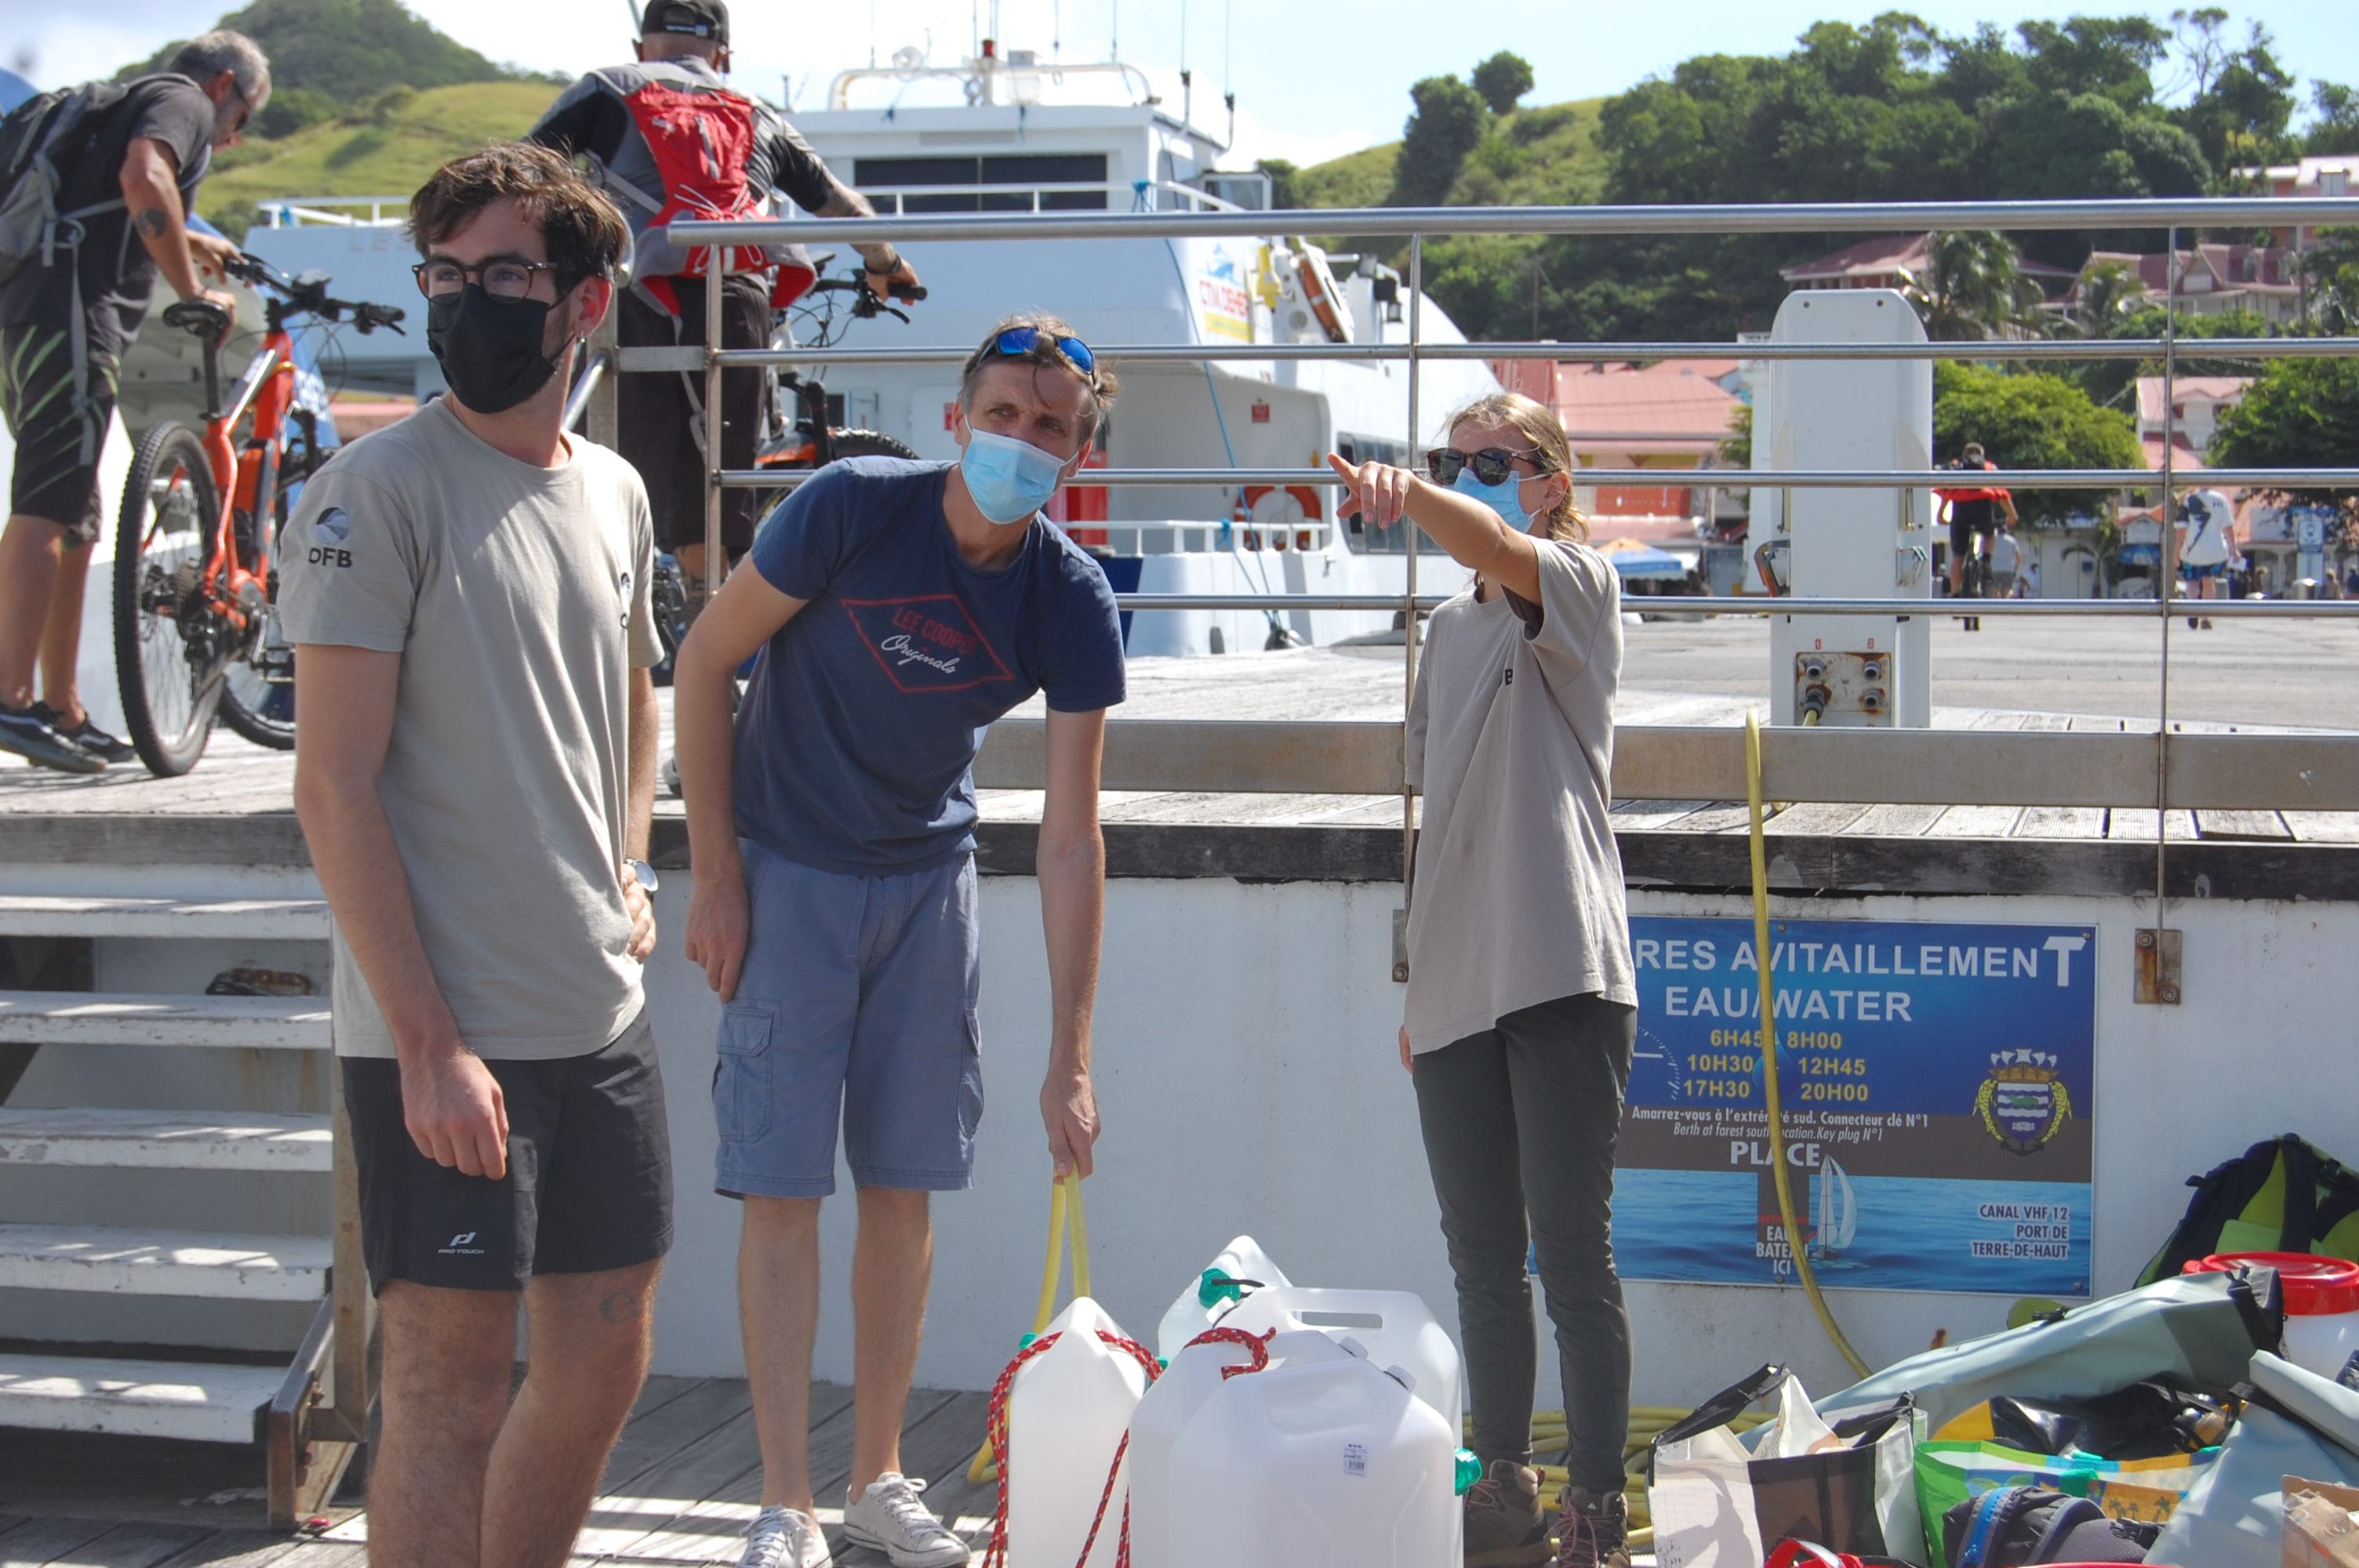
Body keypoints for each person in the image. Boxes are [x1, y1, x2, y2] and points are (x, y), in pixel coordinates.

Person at [674, 314, 1126, 1568]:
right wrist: (715, 875)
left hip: (930, 886)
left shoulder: (1070, 599)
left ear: (1076, 454)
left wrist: (1070, 1056)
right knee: (779, 1185)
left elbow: (1074, 838)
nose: (1019, 441)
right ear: (957, 416)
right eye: (1003, 414)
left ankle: (875, 1478)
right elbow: (706, 660)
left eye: (1048, 428)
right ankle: (782, 1502)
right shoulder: (851, 509)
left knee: (904, 1189)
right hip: (787, 874)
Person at [279, 144, 667, 1568]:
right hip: (442, 1038)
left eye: (502, 276)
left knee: (605, 1352)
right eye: (442, 277)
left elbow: (630, 694)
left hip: (595, 1011)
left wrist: (627, 869)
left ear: (585, 300)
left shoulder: (615, 492)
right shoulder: (369, 493)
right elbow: (333, 785)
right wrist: (431, 1045)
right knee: (443, 1390)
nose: (465, 305)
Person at [1325, 392, 1639, 1568]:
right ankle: (1503, 1494)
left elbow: (1497, 550)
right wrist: (1419, 990)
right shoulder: (1446, 634)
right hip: (1455, 985)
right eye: (1451, 461)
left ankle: (1596, 1514)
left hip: (1561, 966)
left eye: (1492, 460)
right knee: (1481, 1265)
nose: (1469, 475)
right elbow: (1441, 814)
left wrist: (1412, 497)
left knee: (1573, 1262)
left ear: (1550, 480)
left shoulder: (1578, 590)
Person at [529, 0, 921, 597]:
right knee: (719, 480)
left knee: (609, 460)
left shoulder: (608, 88)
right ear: (725, 55)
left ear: (644, 46)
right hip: (737, 299)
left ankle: (614, 613)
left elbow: (521, 171)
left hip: (637, 295)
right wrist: (886, 262)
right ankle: (708, 633)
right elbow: (836, 205)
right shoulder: (756, 111)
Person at [0, 31, 264, 772]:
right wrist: (193, 291)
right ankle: (10, 698)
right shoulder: (180, 99)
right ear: (224, 87)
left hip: (35, 309)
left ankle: (62, 708)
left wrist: (198, 244)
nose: (233, 143)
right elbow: (146, 176)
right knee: (49, 501)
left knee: (76, 510)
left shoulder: (124, 101)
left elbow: (132, 196)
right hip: (72, 313)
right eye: (240, 124)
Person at [1936, 442, 2019, 599]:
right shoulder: (1988, 468)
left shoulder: (1957, 468)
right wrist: (2012, 515)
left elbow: (1947, 491)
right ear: (1982, 455)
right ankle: (1986, 560)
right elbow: (2001, 493)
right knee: (1989, 533)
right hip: (1982, 508)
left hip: (1960, 511)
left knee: (1958, 556)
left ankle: (1954, 594)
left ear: (1964, 455)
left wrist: (1941, 515)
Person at [2177, 488, 2234, 630]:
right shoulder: (2221, 499)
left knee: (2192, 581)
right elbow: (2228, 526)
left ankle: (2192, 608)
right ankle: (2206, 618)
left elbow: (2181, 529)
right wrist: (2233, 547)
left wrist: (2176, 552)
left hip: (2192, 550)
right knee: (2209, 582)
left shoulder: (2189, 500)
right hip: (2215, 550)